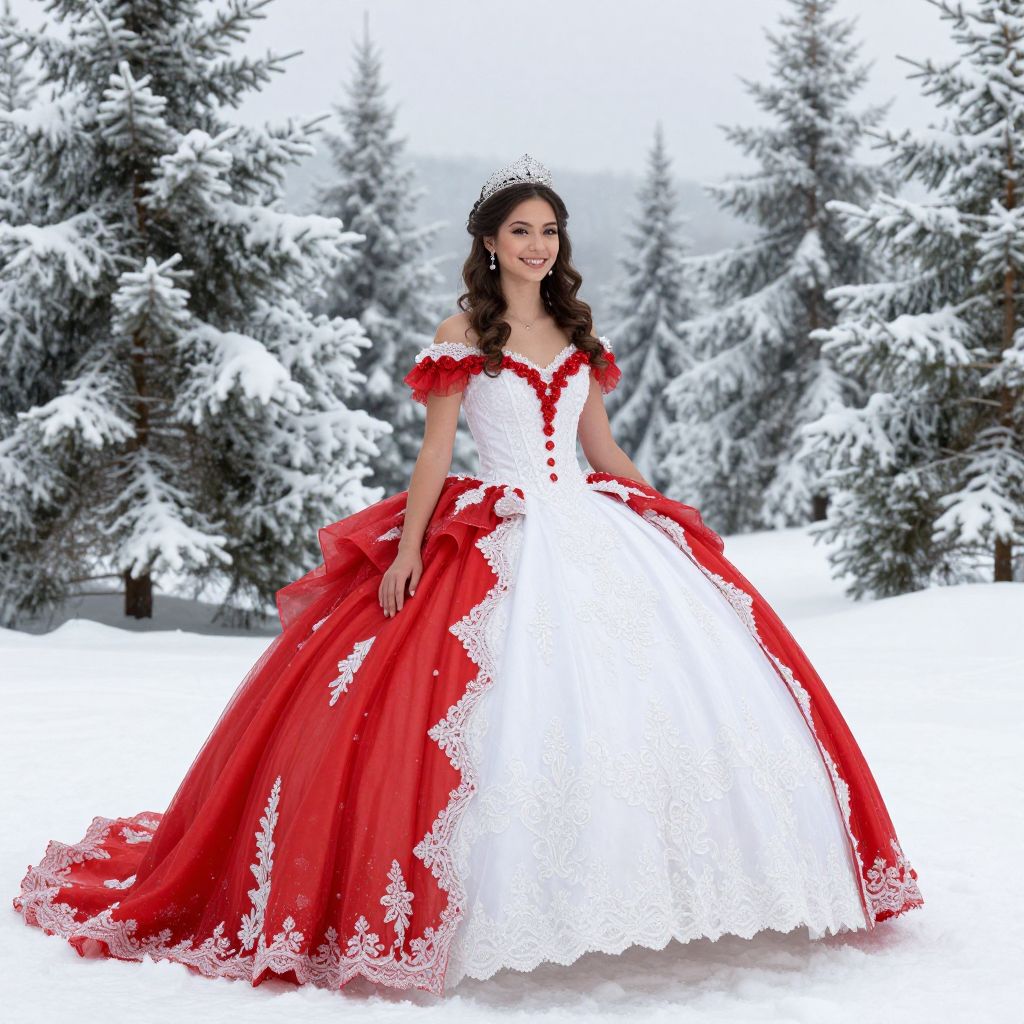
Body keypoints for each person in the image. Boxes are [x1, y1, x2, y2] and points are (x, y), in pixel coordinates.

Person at [13, 153, 923, 998]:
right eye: (521, 230)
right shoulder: (463, 334)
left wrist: (666, 513)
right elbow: (435, 452)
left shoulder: (578, 331)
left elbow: (601, 448)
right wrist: (409, 548)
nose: (538, 245)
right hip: (499, 526)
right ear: (489, 242)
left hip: (591, 523)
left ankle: (661, 881)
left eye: (550, 231)